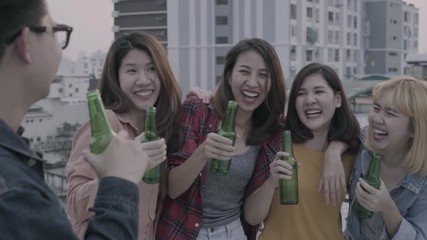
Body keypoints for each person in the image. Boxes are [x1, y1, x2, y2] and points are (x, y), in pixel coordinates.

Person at [0, 0, 151, 239]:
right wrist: (119, 181)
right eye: (56, 32)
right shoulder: (12, 190)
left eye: (152, 69)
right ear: (25, 43)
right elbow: (75, 200)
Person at [156, 38, 286, 240]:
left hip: (233, 232)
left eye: (263, 75)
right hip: (183, 231)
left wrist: (271, 183)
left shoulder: (271, 134)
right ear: (228, 75)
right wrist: (202, 153)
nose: (252, 82)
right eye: (244, 71)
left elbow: (253, 218)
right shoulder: (198, 109)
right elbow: (172, 189)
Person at [66, 31, 182, 240]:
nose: (143, 80)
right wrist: (125, 171)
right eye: (131, 71)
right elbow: (74, 202)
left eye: (152, 69)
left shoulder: (161, 128)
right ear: (116, 78)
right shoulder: (106, 124)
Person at [256, 63, 360, 240]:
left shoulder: (353, 153)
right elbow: (252, 216)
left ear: (338, 99)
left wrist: (333, 152)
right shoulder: (277, 144)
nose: (309, 99)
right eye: (301, 93)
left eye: (319, 91)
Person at [345, 77, 427, 239]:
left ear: (414, 129)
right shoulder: (362, 144)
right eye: (376, 108)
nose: (376, 119)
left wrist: (387, 206)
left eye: (390, 113)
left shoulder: (423, 178)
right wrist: (334, 151)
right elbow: (339, 133)